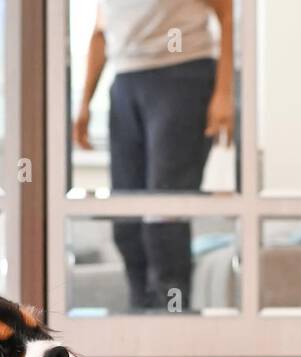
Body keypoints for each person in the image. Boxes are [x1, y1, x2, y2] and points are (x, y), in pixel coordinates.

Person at [73, 0, 234, 312]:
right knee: (126, 221)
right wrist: (84, 103)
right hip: (125, 82)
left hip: (182, 74)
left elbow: (226, 12)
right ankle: (141, 316)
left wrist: (225, 93)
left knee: (162, 218)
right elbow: (100, 33)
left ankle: (172, 322)